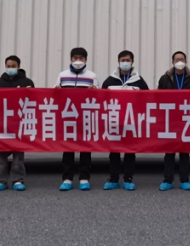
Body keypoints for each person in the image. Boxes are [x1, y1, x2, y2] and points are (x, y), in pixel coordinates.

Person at [102, 50, 150, 191]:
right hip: (114, 122)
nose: (125, 63)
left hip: (131, 123)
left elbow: (147, 100)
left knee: (130, 151)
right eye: (122, 60)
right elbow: (101, 100)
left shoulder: (139, 81)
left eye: (127, 60)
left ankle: (128, 179)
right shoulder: (109, 81)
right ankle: (113, 179)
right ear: (118, 62)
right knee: (114, 152)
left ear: (132, 62)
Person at [0, 55, 34, 192]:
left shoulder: (27, 82)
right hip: (2, 124)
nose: (10, 68)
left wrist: (30, 91)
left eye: (13, 66)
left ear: (18, 67)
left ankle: (18, 180)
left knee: (18, 157)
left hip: (19, 124)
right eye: (8, 66)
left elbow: (33, 101)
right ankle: (1, 181)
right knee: (0, 157)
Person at [157, 51, 190, 191]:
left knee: (184, 151)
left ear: (185, 62)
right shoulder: (165, 78)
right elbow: (158, 98)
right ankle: (167, 180)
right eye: (177, 59)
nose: (179, 61)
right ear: (173, 62)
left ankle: (184, 180)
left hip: (186, 119)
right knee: (169, 151)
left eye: (182, 59)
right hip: (170, 119)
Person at [57, 47, 97, 191]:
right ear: (71, 59)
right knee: (68, 149)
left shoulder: (92, 76)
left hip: (85, 118)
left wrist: (94, 90)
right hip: (68, 118)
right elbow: (55, 94)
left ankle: (84, 178)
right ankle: (67, 178)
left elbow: (98, 96)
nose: (78, 61)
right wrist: (56, 91)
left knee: (85, 149)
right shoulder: (62, 75)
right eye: (75, 58)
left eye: (81, 58)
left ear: (86, 60)